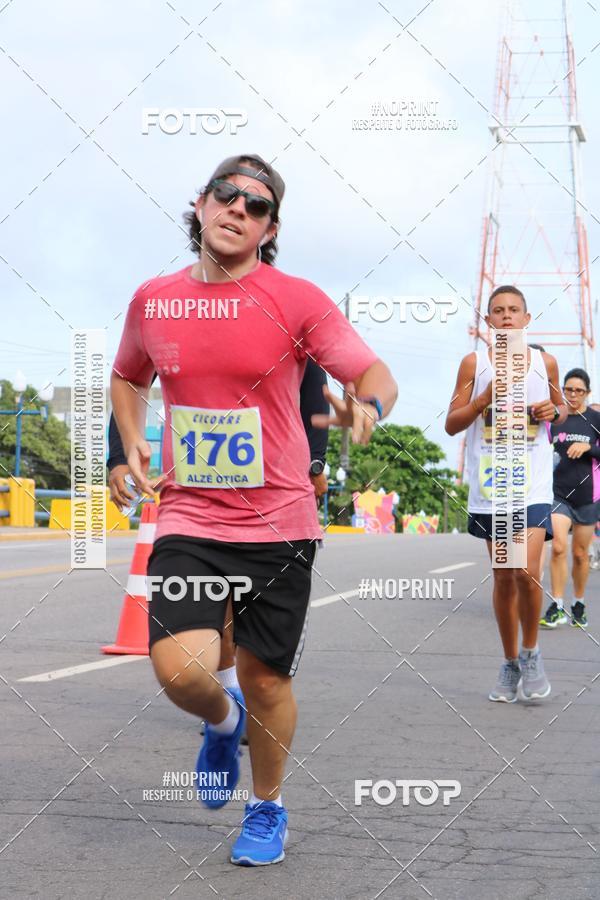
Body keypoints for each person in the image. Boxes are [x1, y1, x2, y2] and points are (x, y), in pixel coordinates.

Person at [111, 154, 397, 866]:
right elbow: (125, 375)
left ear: (271, 229)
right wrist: (123, 451)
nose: (239, 209)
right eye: (227, 195)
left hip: (279, 523)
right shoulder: (154, 300)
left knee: (268, 678)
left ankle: (266, 808)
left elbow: (373, 374)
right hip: (190, 517)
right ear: (200, 203)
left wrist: (367, 408)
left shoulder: (296, 300)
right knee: (182, 672)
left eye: (257, 205)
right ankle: (220, 718)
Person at [107, 360, 330, 743]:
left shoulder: (279, 308)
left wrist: (315, 461)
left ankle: (250, 700)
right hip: (195, 500)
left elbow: (312, 382)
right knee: (215, 604)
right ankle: (230, 698)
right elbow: (131, 377)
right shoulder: (170, 310)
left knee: (249, 616)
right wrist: (117, 455)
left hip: (272, 493)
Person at [445, 285, 567, 702]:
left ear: (527, 319)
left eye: (515, 310)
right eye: (498, 311)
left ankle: (532, 651)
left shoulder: (543, 361)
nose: (507, 316)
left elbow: (561, 408)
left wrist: (554, 410)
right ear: (488, 322)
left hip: (531, 482)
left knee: (526, 571)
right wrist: (482, 399)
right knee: (503, 575)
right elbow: (451, 424)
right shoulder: (473, 364)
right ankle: (510, 661)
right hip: (493, 485)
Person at [540, 368, 600, 630]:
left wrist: (590, 447)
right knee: (559, 547)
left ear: (587, 393)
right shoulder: (556, 418)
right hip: (558, 493)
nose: (573, 395)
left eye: (578, 391)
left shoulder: (595, 419)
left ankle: (579, 602)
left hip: (588, 496)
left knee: (579, 555)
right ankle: (557, 604)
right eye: (568, 390)